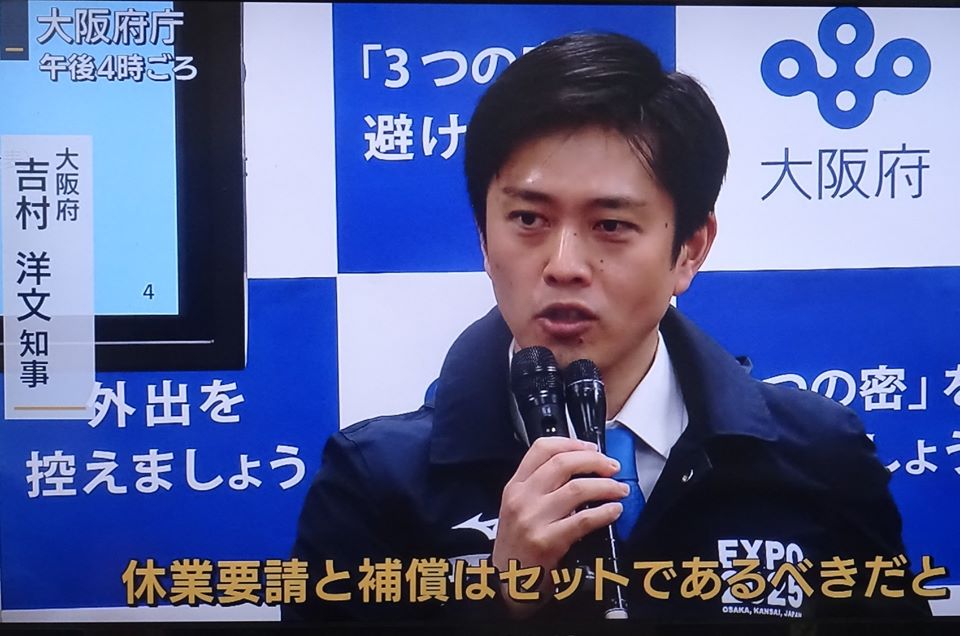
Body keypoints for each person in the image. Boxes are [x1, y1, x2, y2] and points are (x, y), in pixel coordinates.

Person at [285, 32, 931, 622]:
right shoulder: (374, 480)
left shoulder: (818, 456)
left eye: (611, 225)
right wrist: (500, 602)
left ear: (690, 250)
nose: (563, 265)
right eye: (528, 220)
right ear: (483, 236)